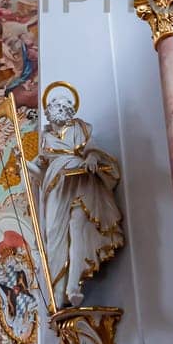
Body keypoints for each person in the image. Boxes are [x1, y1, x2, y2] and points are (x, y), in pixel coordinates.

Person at [36, 83, 125, 308]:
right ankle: (57, 292)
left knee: (77, 228)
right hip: (56, 186)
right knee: (53, 236)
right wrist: (22, 164)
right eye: (56, 106)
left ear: (69, 111)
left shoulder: (80, 128)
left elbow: (91, 147)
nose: (60, 109)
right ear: (49, 111)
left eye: (65, 106)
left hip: (81, 180)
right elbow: (39, 170)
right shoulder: (45, 138)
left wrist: (92, 156)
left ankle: (73, 287)